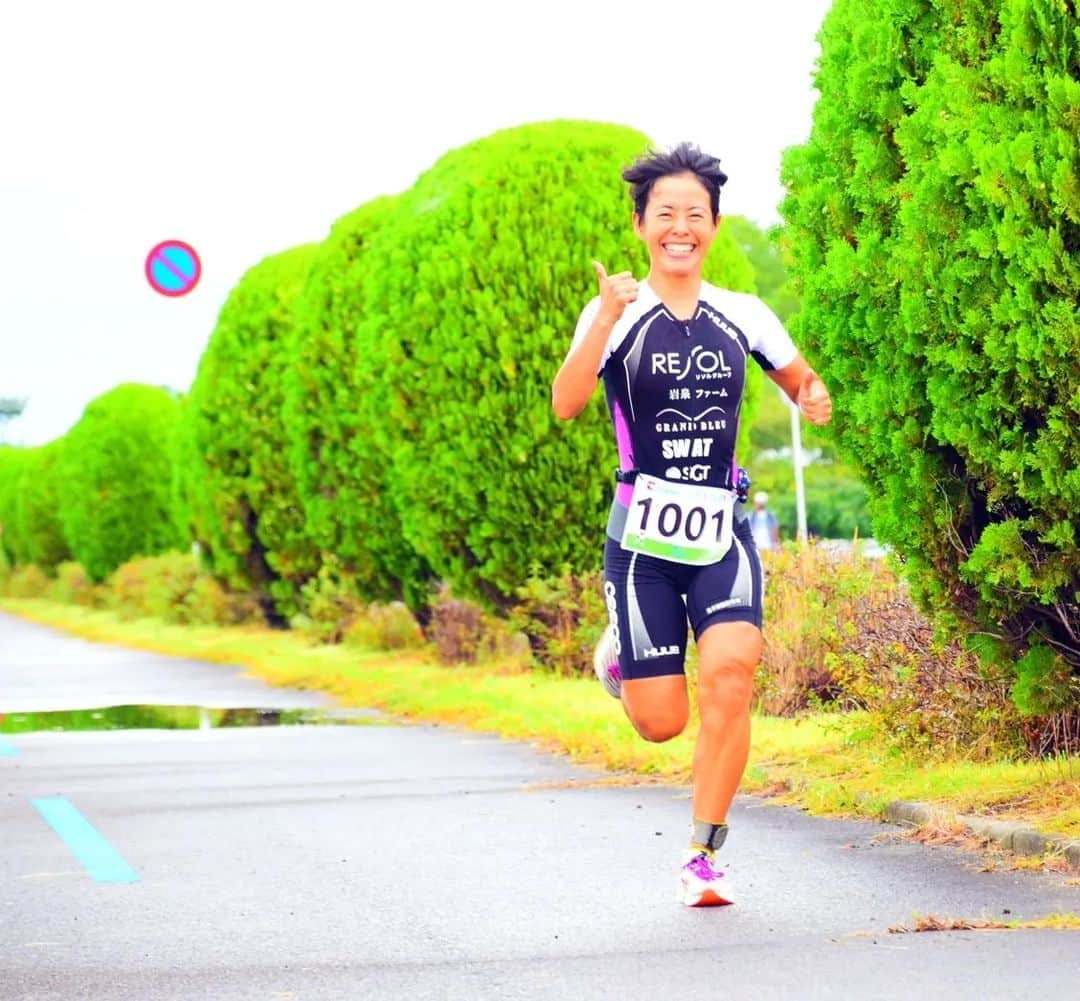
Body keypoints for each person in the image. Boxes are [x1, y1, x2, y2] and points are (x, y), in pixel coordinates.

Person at [551, 143, 832, 906]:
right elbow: (567, 402)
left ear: (713, 224)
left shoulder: (743, 313)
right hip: (641, 542)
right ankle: (621, 659)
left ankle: (704, 853)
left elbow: (799, 376)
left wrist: (812, 394)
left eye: (695, 214)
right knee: (660, 722)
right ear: (642, 225)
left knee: (732, 676)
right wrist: (605, 315)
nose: (681, 227)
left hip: (721, 528)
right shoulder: (615, 313)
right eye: (665, 214)